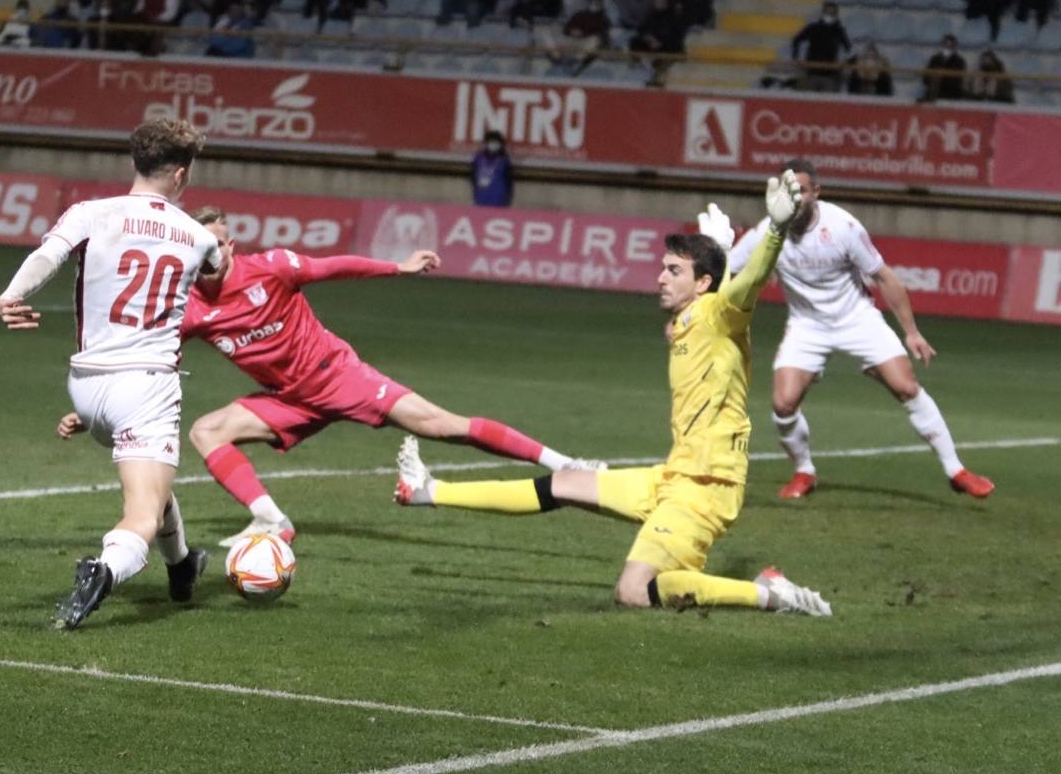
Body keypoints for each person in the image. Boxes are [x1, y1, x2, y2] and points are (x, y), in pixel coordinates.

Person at [395, 173, 834, 616]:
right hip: (675, 477)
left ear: (701, 283)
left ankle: (766, 593)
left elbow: (750, 282)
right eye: (663, 267)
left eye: (673, 271)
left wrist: (775, 231)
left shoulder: (722, 314)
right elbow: (717, 291)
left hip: (706, 489)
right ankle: (427, 490)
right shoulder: (692, 316)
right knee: (564, 484)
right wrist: (715, 251)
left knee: (633, 592)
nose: (660, 277)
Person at [65, 206, 602, 549]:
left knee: (443, 425)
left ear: (231, 247)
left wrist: (398, 267)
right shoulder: (190, 309)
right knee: (208, 430)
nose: (208, 254)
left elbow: (333, 267)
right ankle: (272, 520)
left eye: (217, 244)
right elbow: (146, 355)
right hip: (288, 397)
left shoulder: (271, 267)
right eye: (198, 246)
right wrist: (94, 405)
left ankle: (564, 464)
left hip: (337, 375)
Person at [0, 119, 222, 630]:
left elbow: (47, 255)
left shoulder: (90, 213)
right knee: (142, 513)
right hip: (145, 385)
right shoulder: (198, 236)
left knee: (155, 484)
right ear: (182, 174)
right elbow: (214, 270)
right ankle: (102, 570)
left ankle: (182, 565)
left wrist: (12, 296)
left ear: (135, 163)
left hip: (86, 385)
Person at [728, 159, 995, 501]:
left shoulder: (842, 227)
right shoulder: (768, 232)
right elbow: (724, 271)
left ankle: (955, 470)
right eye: (788, 192)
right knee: (783, 404)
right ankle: (804, 472)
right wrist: (686, 314)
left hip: (857, 318)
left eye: (802, 192)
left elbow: (885, 278)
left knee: (906, 386)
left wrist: (911, 332)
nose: (795, 200)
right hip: (807, 325)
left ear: (817, 193)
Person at [791, 1, 851, 92]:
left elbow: (848, 47)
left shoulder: (839, 30)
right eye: (827, 12)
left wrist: (841, 63)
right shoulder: (813, 27)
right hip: (810, 72)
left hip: (830, 74)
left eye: (832, 13)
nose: (829, 15)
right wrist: (797, 58)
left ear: (836, 14)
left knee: (828, 103)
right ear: (822, 13)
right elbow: (797, 40)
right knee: (807, 101)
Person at [471, 130, 513, 207]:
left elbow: (509, 182)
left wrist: (506, 199)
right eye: (491, 142)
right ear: (486, 143)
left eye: (496, 142)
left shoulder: (504, 160)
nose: (493, 145)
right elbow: (473, 176)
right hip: (480, 198)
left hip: (499, 200)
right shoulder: (478, 158)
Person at [921, 34, 967, 102]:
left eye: (950, 45)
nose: (947, 47)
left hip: (951, 96)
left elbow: (958, 81)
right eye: (945, 44)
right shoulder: (934, 59)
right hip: (934, 94)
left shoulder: (959, 61)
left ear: (954, 46)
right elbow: (925, 79)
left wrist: (942, 77)